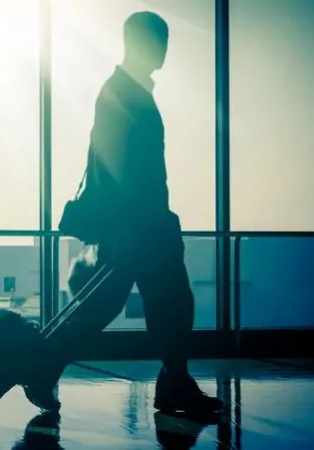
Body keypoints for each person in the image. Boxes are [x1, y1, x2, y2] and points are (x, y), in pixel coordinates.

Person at [23, 11, 224, 416]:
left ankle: (170, 382)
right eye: (156, 41)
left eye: (165, 41)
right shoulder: (124, 94)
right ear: (134, 43)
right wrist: (128, 228)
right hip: (140, 224)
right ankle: (170, 384)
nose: (163, 50)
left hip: (140, 223)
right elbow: (118, 165)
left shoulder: (126, 91)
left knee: (133, 303)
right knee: (156, 302)